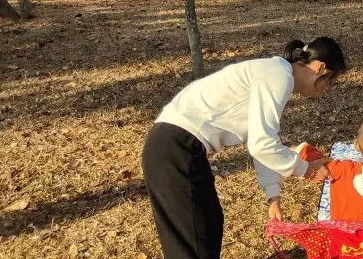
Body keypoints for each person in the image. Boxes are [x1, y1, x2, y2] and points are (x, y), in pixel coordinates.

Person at [141, 37, 346, 259]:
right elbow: (262, 145)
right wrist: (307, 170)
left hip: (175, 146)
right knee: (195, 241)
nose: (325, 89)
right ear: (320, 68)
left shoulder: (275, 72)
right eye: (330, 82)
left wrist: (273, 194)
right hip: (176, 148)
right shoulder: (278, 75)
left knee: (209, 224)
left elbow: (261, 138)